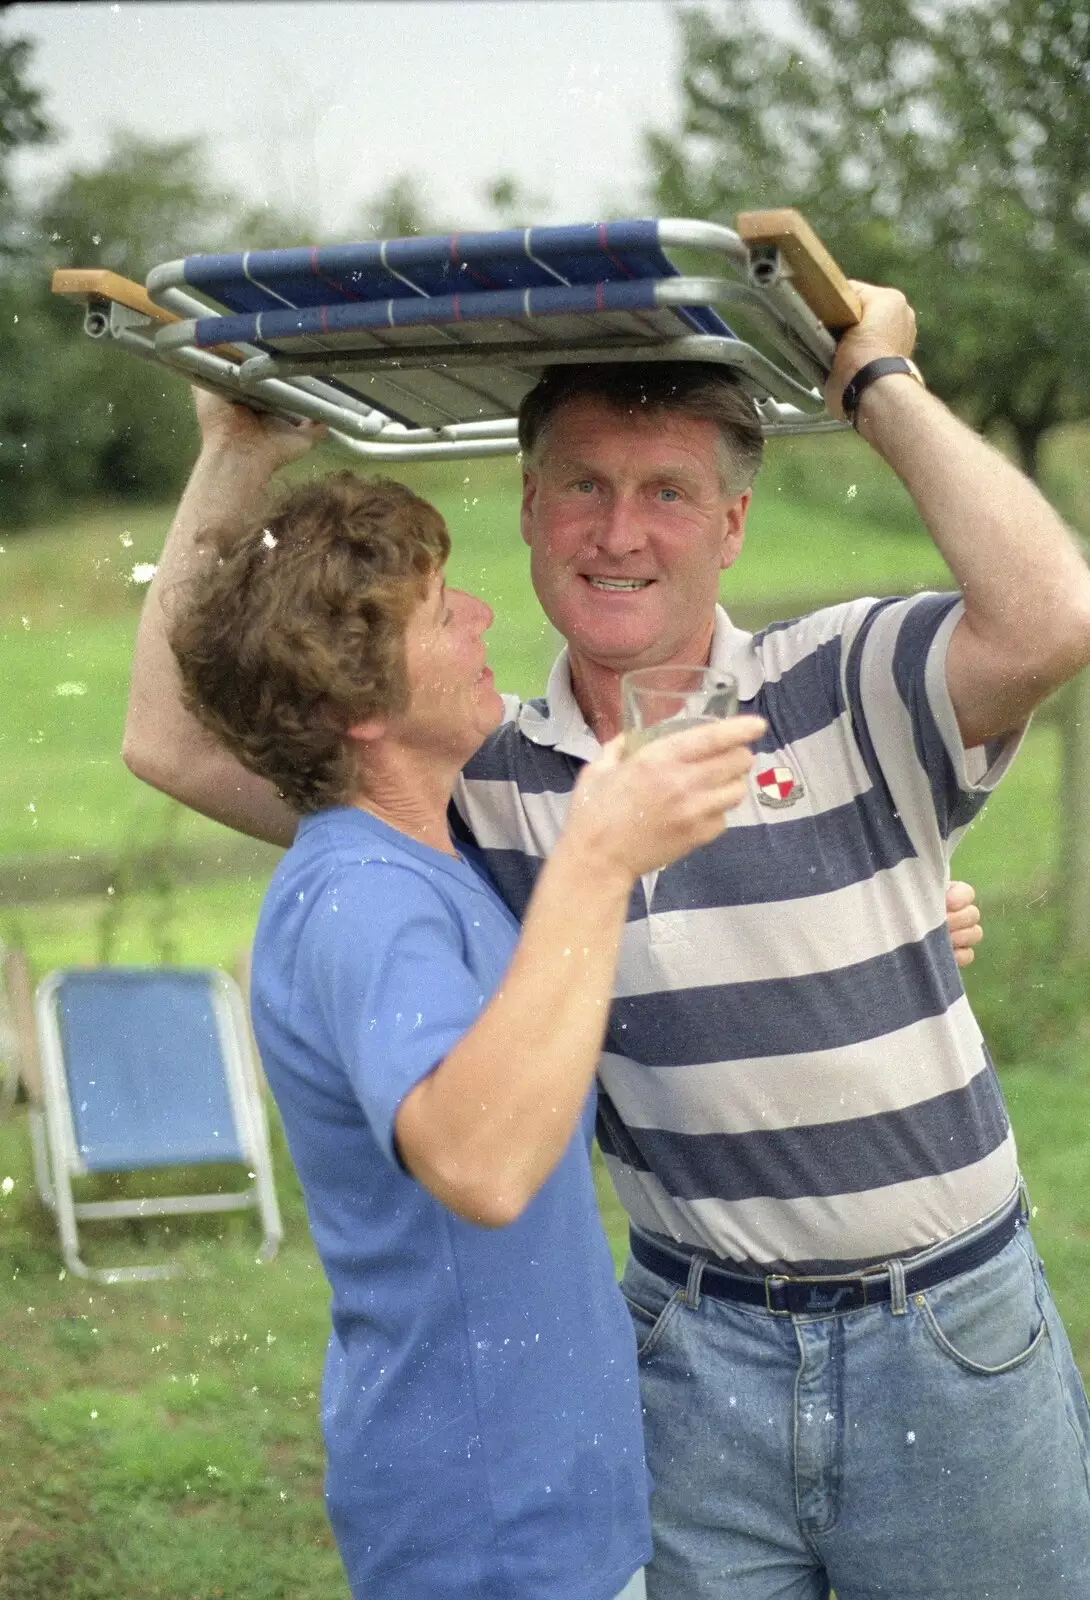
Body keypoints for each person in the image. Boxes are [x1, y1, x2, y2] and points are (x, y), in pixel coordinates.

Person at [122, 274, 1090, 1598]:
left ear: (734, 523)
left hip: (948, 1336)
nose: (618, 532)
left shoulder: (846, 677)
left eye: (668, 491)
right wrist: (234, 456)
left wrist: (876, 384)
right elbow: (177, 739)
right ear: (527, 509)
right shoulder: (471, 784)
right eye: (581, 485)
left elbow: (1052, 616)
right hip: (690, 1362)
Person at [164, 460, 764, 1600]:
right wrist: (597, 853)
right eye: (445, 612)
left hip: (538, 1499)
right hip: (486, 1525)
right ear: (364, 707)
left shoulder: (423, 859)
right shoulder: (363, 900)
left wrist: (234, 452)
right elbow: (480, 1166)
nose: (484, 614)